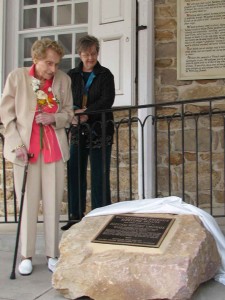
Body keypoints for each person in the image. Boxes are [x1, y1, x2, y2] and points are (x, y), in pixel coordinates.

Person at [0, 38, 73, 275]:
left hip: (53, 150)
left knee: (53, 203)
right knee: (28, 205)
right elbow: (6, 116)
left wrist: (55, 118)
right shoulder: (17, 77)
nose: (53, 69)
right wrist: (15, 145)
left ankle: (53, 254)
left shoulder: (63, 80)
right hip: (25, 152)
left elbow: (69, 113)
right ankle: (26, 255)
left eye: (56, 64)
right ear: (35, 59)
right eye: (48, 63)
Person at [61, 35, 115, 231]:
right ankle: (75, 217)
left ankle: (101, 217)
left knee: (100, 174)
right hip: (77, 130)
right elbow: (65, 99)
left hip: (100, 130)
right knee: (75, 172)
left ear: (97, 53)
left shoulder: (105, 75)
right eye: (86, 54)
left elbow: (107, 100)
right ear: (80, 54)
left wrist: (86, 113)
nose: (90, 58)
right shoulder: (71, 75)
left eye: (93, 53)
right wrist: (73, 114)